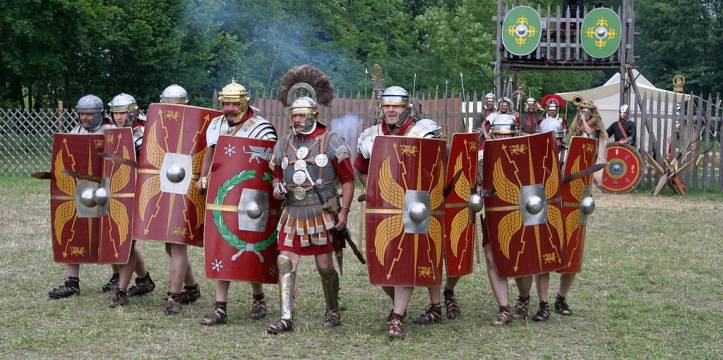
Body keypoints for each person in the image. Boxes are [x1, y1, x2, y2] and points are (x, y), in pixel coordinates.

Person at [266, 65, 354, 334]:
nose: (297, 120)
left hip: (321, 211)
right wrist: (277, 187)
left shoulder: (330, 141)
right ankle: (286, 317)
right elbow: (275, 175)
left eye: (302, 115)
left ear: (314, 114)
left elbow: (348, 179)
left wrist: (344, 211)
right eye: (294, 115)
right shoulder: (282, 144)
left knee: (325, 266)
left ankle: (332, 308)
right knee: (285, 262)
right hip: (292, 211)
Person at [355, 86, 443, 338]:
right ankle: (401, 306)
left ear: (406, 108)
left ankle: (398, 317)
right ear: (381, 107)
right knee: (386, 262)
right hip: (387, 209)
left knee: (415, 258)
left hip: (417, 206)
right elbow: (361, 165)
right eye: (387, 106)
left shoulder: (423, 131)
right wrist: (371, 187)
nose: (391, 110)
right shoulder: (372, 135)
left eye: (396, 106)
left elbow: (440, 161)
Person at [197, 79, 278, 325]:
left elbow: (270, 164)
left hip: (254, 200)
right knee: (223, 244)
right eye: (225, 104)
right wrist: (203, 177)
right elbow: (210, 152)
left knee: (251, 248)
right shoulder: (216, 125)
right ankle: (220, 307)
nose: (229, 109)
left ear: (245, 103)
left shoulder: (261, 128)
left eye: (234, 104)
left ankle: (258, 297)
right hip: (225, 196)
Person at [48, 94, 118, 299]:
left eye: (89, 114)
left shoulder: (112, 133)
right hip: (82, 190)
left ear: (99, 114)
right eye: (82, 114)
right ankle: (72, 281)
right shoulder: (75, 132)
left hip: (108, 189)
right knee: (73, 228)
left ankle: (117, 276)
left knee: (109, 232)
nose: (84, 118)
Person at [106, 93, 156, 307]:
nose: (118, 117)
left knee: (126, 242)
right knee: (122, 239)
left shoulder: (142, 133)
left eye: (122, 113)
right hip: (115, 191)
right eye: (115, 113)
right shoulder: (112, 131)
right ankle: (144, 280)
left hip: (135, 192)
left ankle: (121, 292)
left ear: (132, 112)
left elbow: (147, 166)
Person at [476, 97, 521, 326]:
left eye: (508, 134)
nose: (504, 138)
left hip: (522, 213)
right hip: (494, 213)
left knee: (523, 257)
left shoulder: (525, 152)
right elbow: (476, 184)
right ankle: (504, 308)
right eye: (499, 134)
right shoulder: (482, 155)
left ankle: (523, 299)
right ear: (492, 134)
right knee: (492, 257)